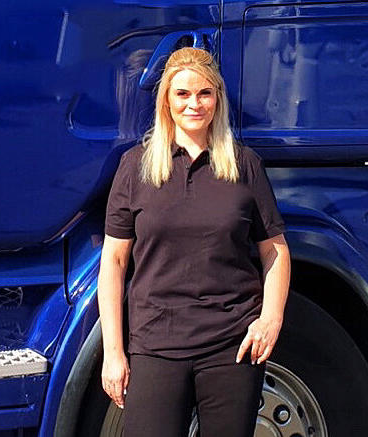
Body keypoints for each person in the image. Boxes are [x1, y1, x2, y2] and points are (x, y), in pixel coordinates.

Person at [97, 46, 291, 437]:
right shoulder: (135, 167)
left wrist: (270, 320)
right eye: (182, 94)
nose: (194, 104)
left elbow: (275, 251)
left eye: (204, 93)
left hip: (231, 346)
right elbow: (114, 262)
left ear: (217, 99)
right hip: (155, 345)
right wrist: (113, 354)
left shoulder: (244, 165)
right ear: (166, 101)